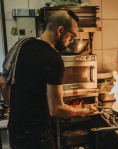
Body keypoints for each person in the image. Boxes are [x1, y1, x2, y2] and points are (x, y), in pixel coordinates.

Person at [0, 10, 97, 149]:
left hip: (15, 130)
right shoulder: (53, 59)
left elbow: (3, 83)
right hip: (37, 136)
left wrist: (15, 109)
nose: (71, 40)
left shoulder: (23, 45)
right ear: (60, 30)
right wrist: (83, 110)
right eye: (72, 35)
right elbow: (56, 109)